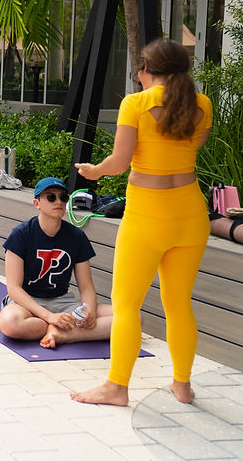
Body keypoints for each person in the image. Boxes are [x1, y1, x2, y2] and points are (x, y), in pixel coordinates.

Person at [71, 38, 212, 407]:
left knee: (126, 304)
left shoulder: (135, 104)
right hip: (190, 217)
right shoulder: (202, 104)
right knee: (179, 304)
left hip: (147, 217)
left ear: (146, 70)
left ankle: (117, 387)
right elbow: (191, 146)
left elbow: (119, 163)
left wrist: (94, 171)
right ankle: (182, 385)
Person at [0, 177, 113, 349]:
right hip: (27, 302)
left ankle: (62, 334)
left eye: (63, 197)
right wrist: (49, 317)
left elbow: (86, 287)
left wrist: (88, 310)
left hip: (62, 302)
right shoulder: (21, 234)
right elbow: (14, 288)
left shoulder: (77, 236)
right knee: (10, 323)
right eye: (51, 197)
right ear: (37, 203)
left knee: (131, 318)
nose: (58, 201)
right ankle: (55, 327)